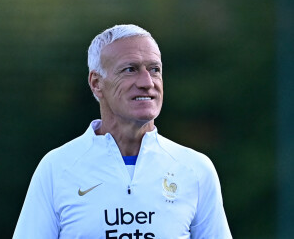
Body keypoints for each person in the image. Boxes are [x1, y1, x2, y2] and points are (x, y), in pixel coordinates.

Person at [13, 24, 232, 239]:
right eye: (130, 69)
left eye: (155, 70)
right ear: (96, 83)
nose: (147, 82)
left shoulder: (195, 169)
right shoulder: (56, 167)